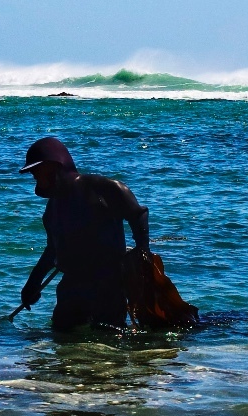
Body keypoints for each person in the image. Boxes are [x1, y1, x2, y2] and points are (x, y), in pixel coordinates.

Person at [18, 136, 150, 331]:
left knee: (110, 334)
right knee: (62, 335)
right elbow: (52, 250)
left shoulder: (102, 189)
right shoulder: (52, 211)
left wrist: (142, 252)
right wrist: (32, 284)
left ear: (53, 166)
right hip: (71, 285)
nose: (34, 176)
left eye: (37, 171)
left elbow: (138, 215)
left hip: (107, 283)